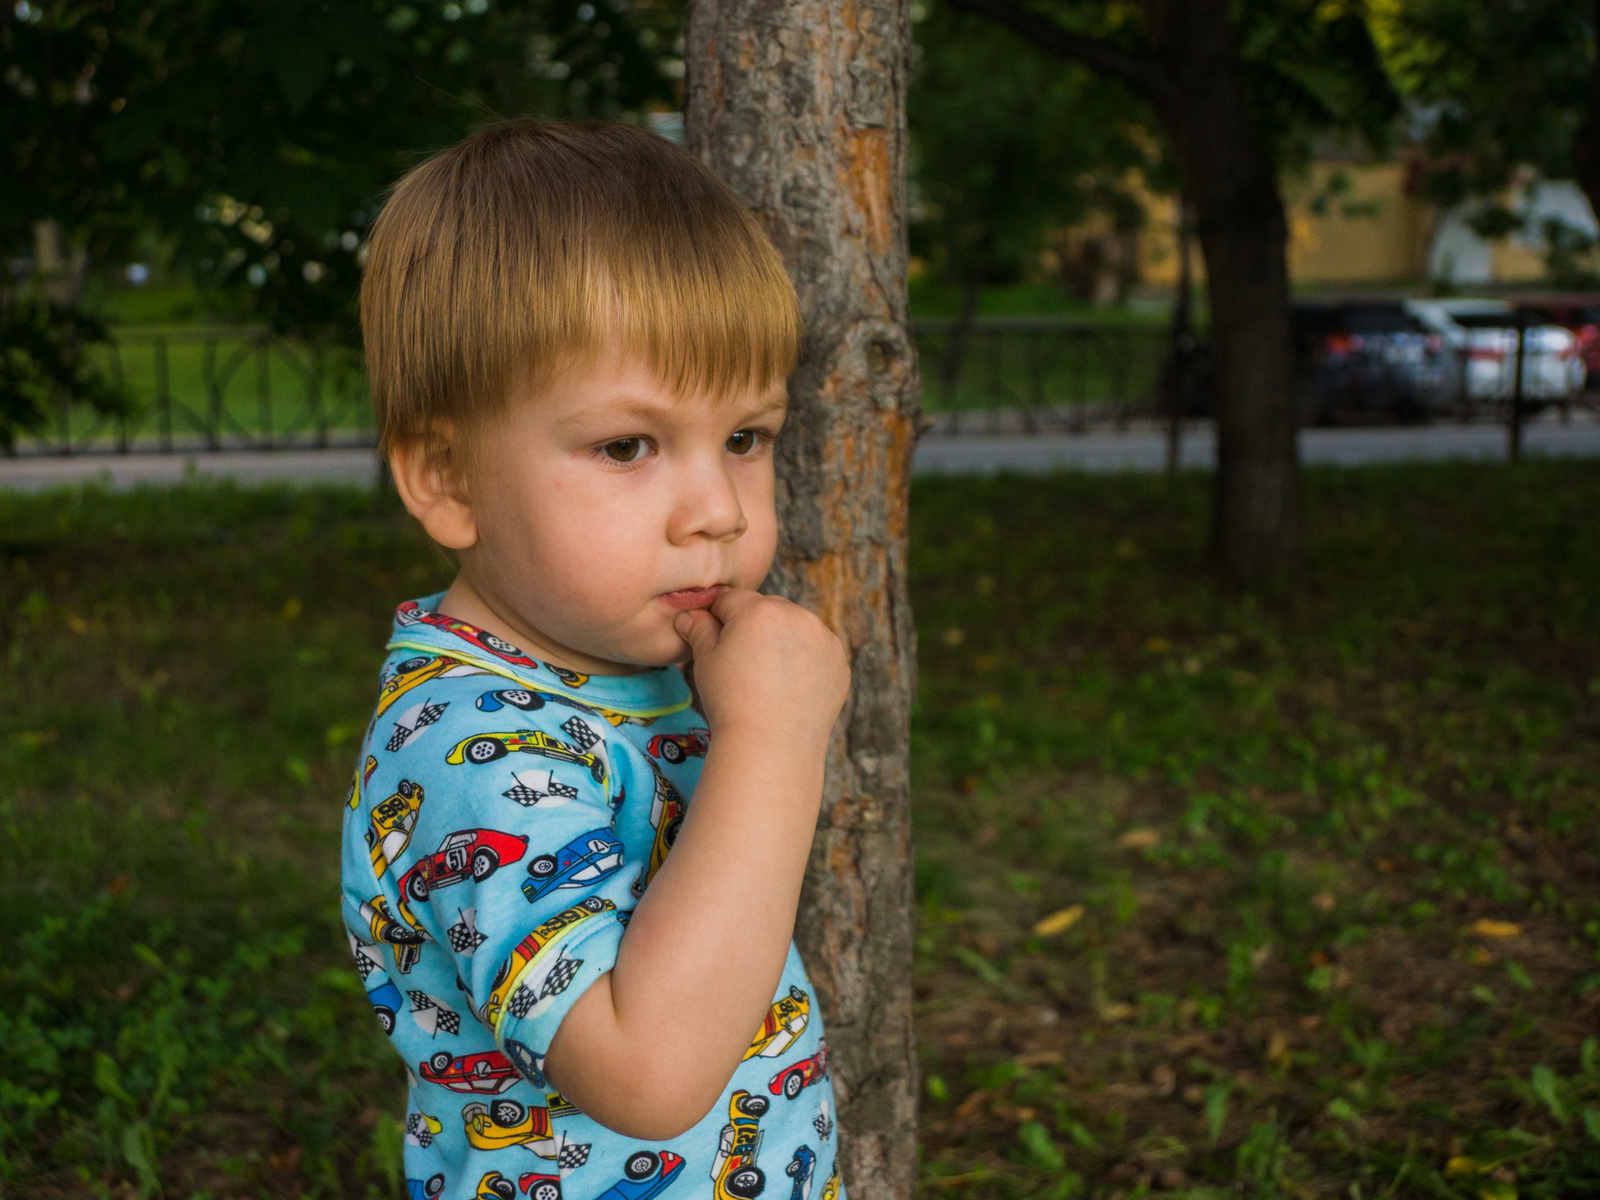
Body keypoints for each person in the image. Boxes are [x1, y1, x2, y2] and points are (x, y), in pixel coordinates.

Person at [340, 120, 851, 1200]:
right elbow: (648, 1072)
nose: (715, 512)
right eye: (628, 446)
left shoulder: (629, 666)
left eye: (746, 439)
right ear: (448, 477)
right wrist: (774, 738)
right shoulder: (469, 751)